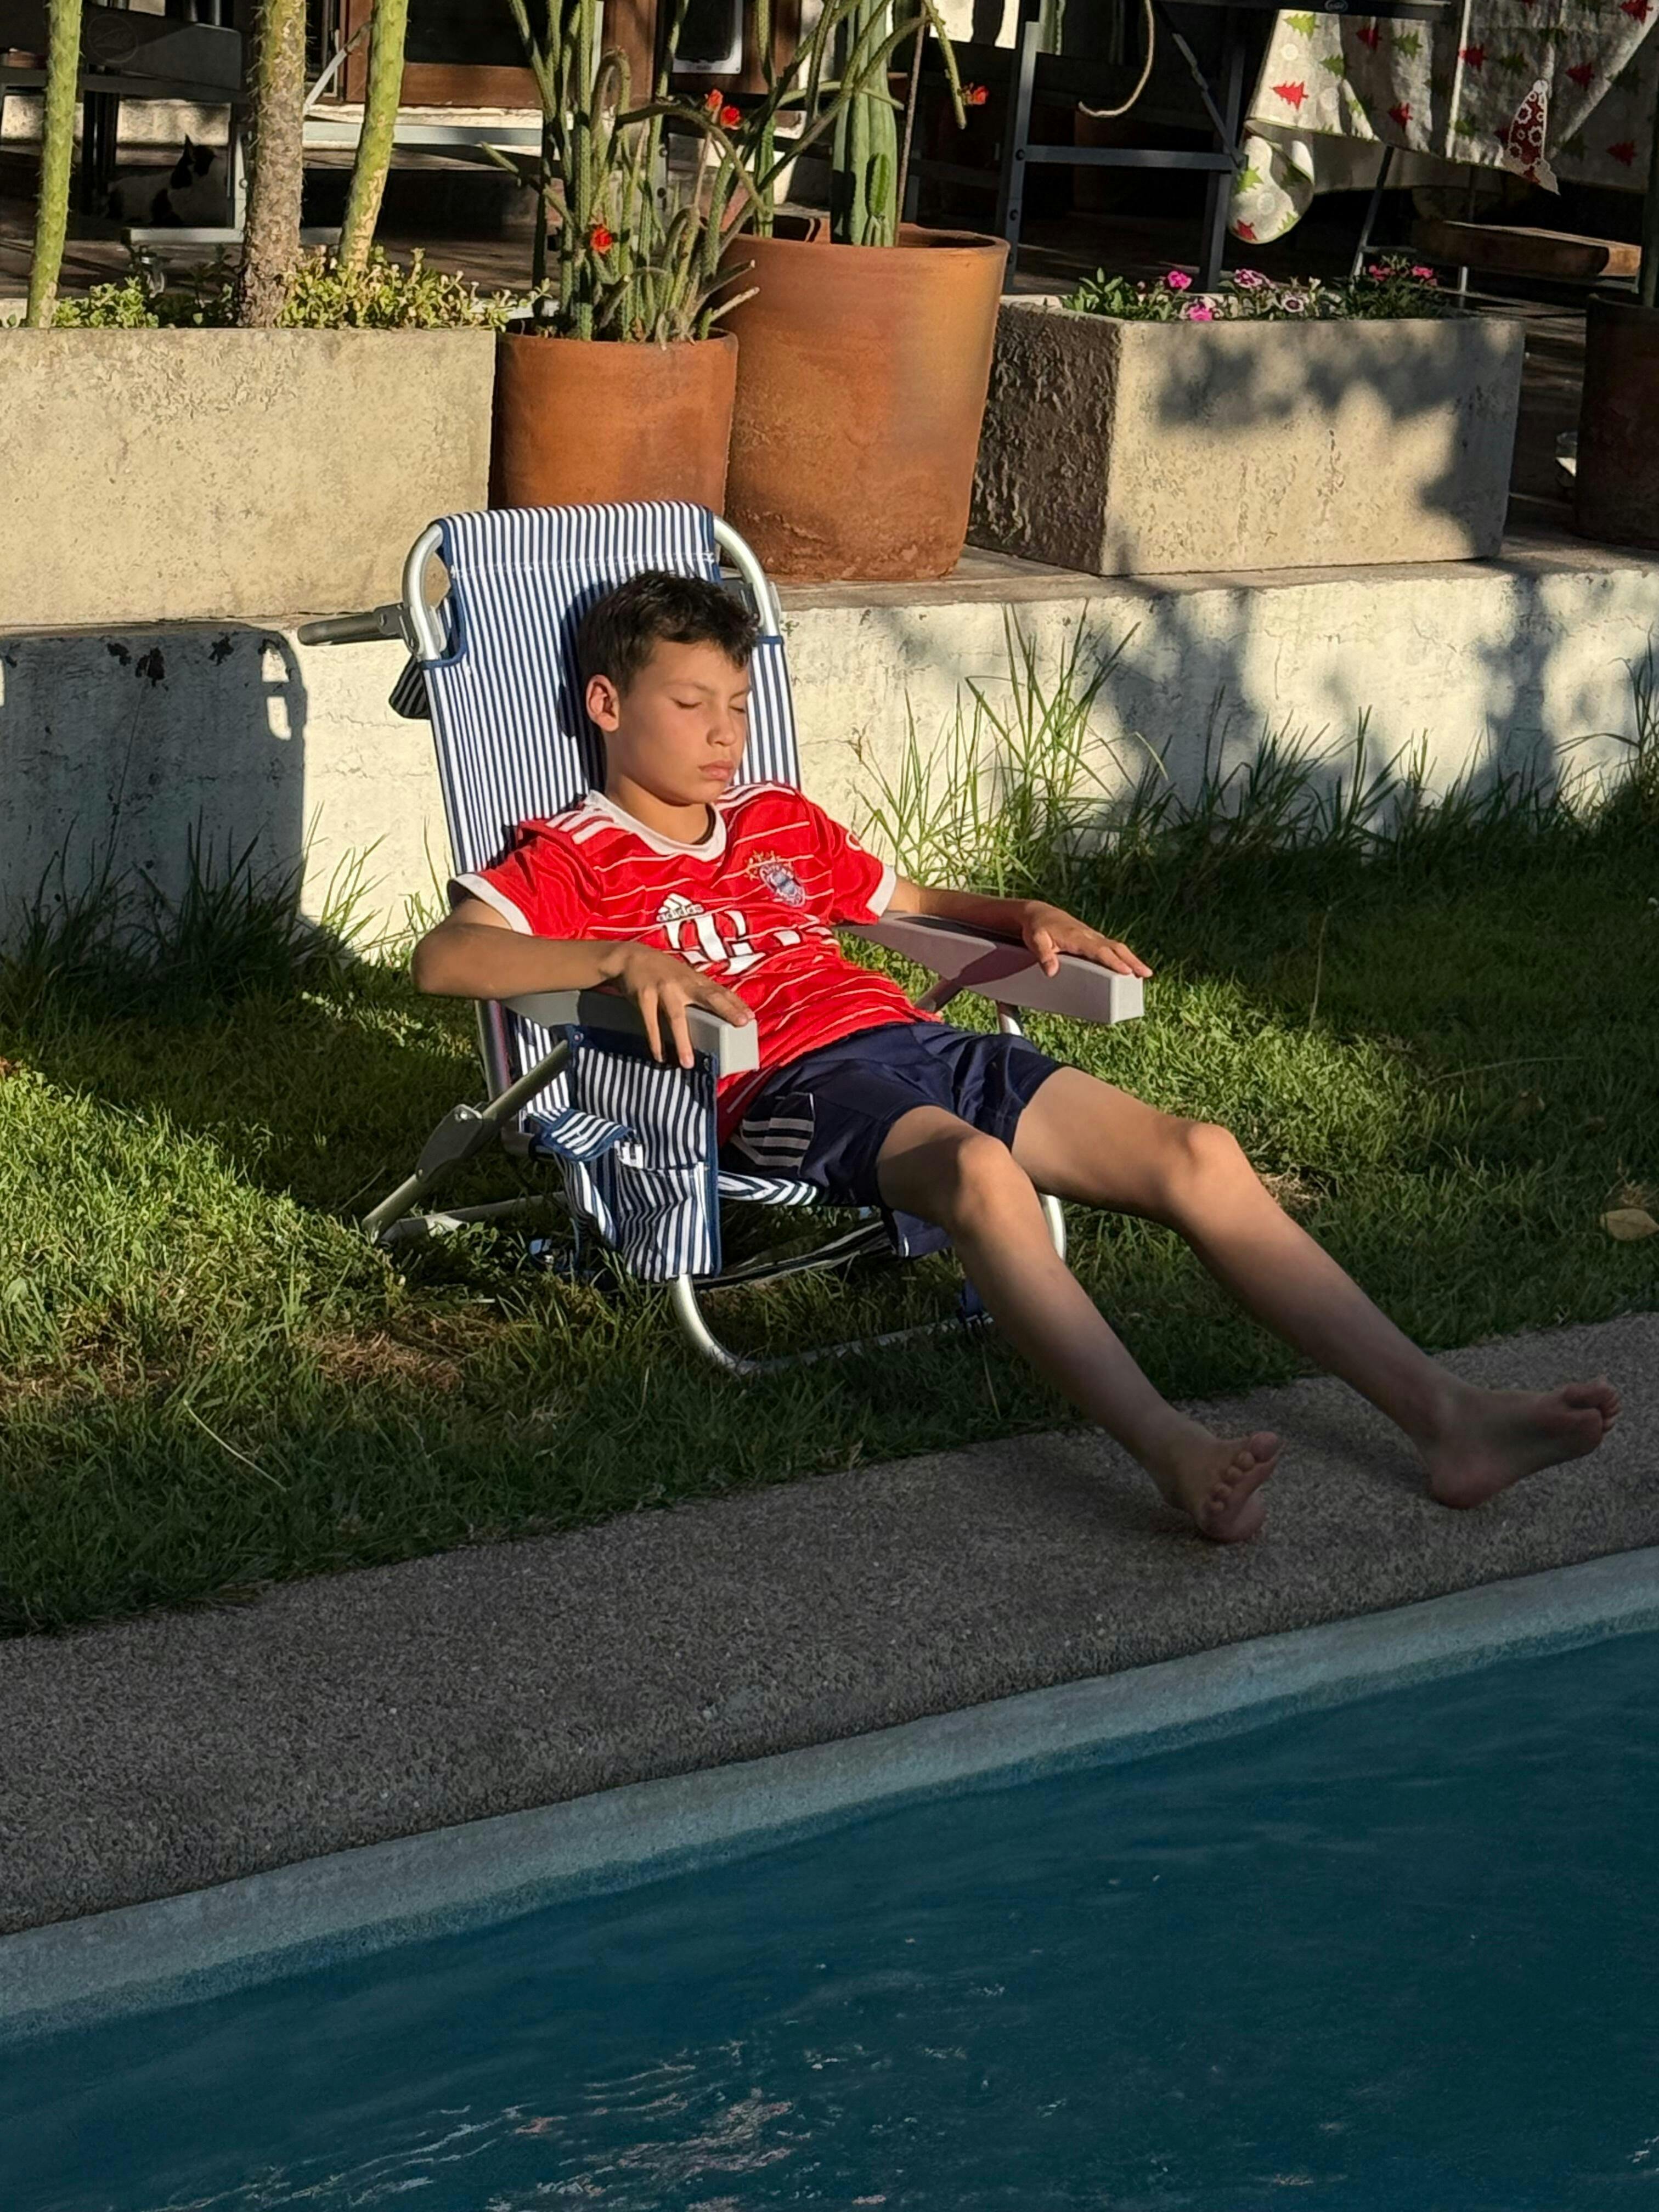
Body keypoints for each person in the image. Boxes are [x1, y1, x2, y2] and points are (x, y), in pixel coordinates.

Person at [411, 571, 1621, 1542]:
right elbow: (444, 958)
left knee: (1197, 1152)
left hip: (915, 1042)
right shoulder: (569, 855)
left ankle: (1447, 1417)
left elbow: (908, 901)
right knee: (981, 1175)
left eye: (737, 704)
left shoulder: (779, 822)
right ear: (606, 705)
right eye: (690, 706)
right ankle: (1169, 1449)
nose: (725, 734)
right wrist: (617, 959)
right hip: (786, 1084)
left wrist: (1019, 916)